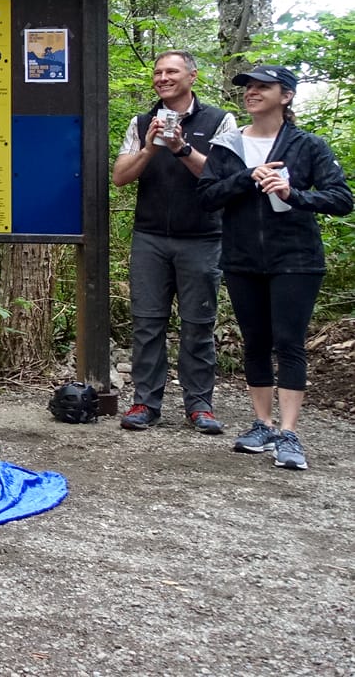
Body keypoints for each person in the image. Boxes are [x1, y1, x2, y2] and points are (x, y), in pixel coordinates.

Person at [198, 65, 351, 470]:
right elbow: (207, 196)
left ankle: (289, 432)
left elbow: (340, 198)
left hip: (295, 259)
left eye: (262, 87)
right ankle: (262, 424)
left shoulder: (308, 145)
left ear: (286, 96)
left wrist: (293, 193)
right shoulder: (227, 146)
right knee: (256, 341)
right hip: (242, 258)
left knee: (289, 342)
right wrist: (247, 177)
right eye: (248, 88)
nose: (251, 93)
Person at [111, 50, 236, 433]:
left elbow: (222, 177)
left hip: (201, 237)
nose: (163, 78)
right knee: (147, 323)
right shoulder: (142, 121)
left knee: (198, 323)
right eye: (158, 72)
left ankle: (199, 405)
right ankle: (145, 403)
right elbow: (119, 176)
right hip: (150, 236)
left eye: (172, 71)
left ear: (192, 77)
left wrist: (181, 147)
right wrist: (151, 147)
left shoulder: (219, 120)